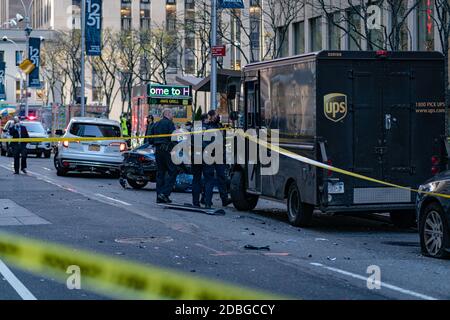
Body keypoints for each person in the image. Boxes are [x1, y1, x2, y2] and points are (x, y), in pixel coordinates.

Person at [203, 110, 232, 209]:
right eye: (216, 115)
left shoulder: (219, 126)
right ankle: (207, 201)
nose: (218, 116)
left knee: (221, 177)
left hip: (219, 155)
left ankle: (224, 199)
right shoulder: (206, 127)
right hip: (210, 155)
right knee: (209, 179)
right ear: (211, 116)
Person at [150, 108, 178, 204]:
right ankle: (165, 193)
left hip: (158, 150)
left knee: (160, 173)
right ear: (167, 114)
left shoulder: (156, 124)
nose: (172, 116)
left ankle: (159, 196)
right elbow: (174, 137)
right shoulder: (169, 124)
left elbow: (149, 139)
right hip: (167, 150)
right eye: (172, 114)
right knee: (173, 171)